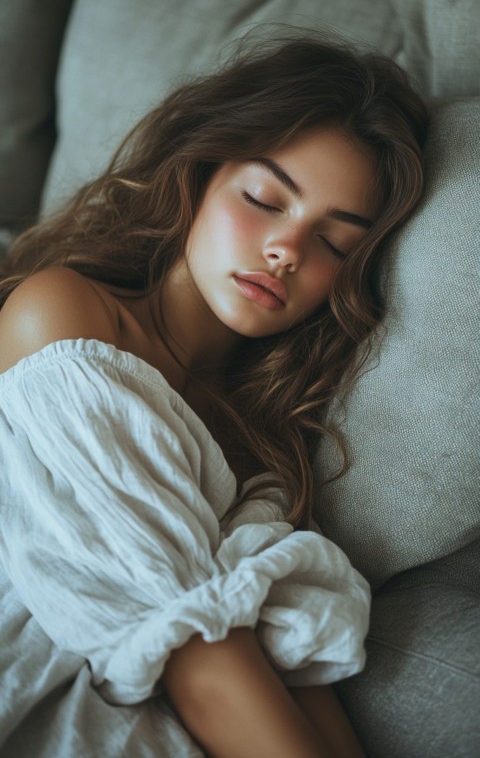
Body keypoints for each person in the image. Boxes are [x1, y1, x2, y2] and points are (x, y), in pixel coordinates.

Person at [0, 37, 428, 758]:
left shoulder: (261, 444)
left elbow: (279, 659)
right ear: (199, 173)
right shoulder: (64, 316)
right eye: (264, 199)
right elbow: (190, 633)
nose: (286, 248)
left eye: (332, 242)